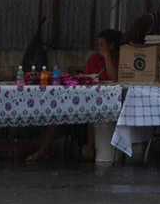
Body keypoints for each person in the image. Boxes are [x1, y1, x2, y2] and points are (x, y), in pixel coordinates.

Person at [27, 29, 123, 163]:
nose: (99, 48)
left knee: (94, 111)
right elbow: (84, 78)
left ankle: (90, 147)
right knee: (58, 113)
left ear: (112, 46)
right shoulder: (94, 59)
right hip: (85, 100)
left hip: (106, 105)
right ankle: (43, 150)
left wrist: (107, 56)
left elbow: (115, 79)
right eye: (98, 45)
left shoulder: (121, 60)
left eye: (102, 45)